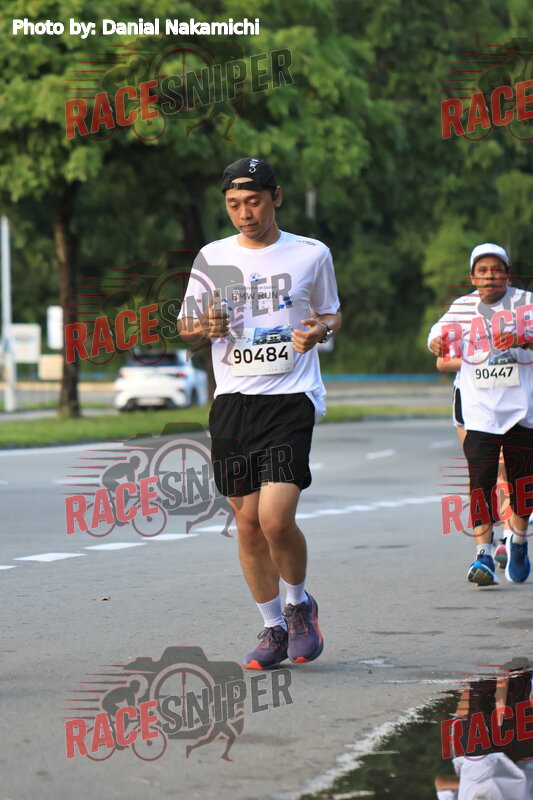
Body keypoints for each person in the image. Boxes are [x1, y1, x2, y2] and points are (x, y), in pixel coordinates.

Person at [177, 157, 341, 669]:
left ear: (276, 197)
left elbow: (331, 312)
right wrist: (204, 326)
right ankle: (272, 626)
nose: (245, 213)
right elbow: (186, 325)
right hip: (233, 401)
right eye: (234, 204)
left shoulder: (311, 253)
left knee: (274, 517)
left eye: (253, 201)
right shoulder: (212, 257)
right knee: (246, 523)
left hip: (291, 397)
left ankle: (299, 606)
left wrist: (319, 331)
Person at [428, 243, 533, 586]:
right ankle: (483, 554)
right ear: (473, 277)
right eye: (483, 271)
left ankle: (518, 541)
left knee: (521, 487)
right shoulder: (461, 307)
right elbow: (437, 337)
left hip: (522, 411)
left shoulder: (526, 303)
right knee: (481, 484)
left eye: (497, 270)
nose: (490, 277)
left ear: (507, 274)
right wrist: (437, 343)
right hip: (479, 412)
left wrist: (520, 337)